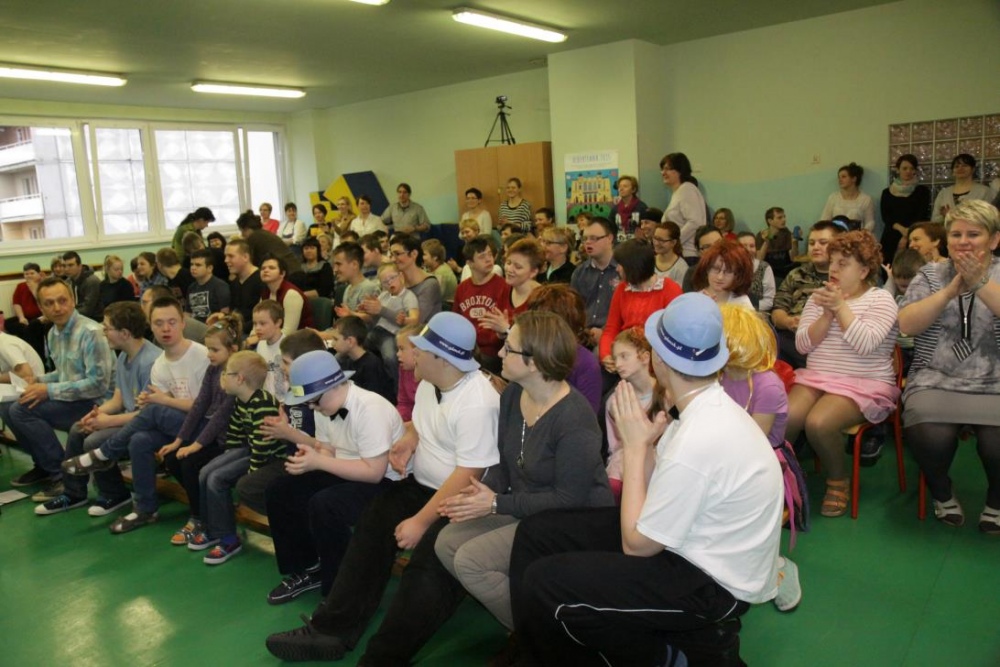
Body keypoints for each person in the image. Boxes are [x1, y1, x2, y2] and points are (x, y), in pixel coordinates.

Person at [507, 293, 783, 666]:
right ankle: (532, 648)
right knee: (536, 533)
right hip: (688, 543)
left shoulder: (699, 436)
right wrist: (649, 444)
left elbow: (637, 546)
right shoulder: (701, 408)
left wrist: (635, 448)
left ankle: (659, 655)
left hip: (712, 582)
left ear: (658, 359)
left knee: (546, 583)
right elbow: (658, 489)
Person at [265, 312, 500, 665]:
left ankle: (381, 659)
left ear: (443, 359)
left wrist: (421, 521)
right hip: (421, 485)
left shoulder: (477, 402)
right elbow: (421, 423)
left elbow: (469, 472)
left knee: (426, 573)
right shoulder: (429, 383)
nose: (411, 354)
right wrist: (409, 438)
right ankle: (330, 630)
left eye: (420, 349)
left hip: (461, 501)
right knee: (372, 527)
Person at [435, 310, 613, 633]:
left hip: (573, 522)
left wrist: (494, 503)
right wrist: (479, 493)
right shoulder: (514, 394)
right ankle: (530, 627)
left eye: (509, 347)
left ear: (534, 362)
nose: (500, 352)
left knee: (471, 561)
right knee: (446, 542)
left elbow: (569, 500)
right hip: (530, 506)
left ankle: (542, 634)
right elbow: (506, 463)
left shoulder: (574, 417)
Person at [263, 349, 404, 603]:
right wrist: (311, 460)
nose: (311, 407)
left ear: (331, 388)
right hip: (347, 469)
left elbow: (374, 473)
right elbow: (327, 449)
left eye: (314, 402)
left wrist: (319, 462)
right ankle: (308, 568)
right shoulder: (324, 408)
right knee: (280, 490)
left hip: (388, 483)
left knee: (326, 505)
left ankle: (340, 589)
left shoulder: (370, 409)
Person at [61, 296, 210, 533]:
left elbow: (205, 407)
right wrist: (152, 402)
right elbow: (155, 407)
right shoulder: (160, 364)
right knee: (140, 440)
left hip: (204, 426)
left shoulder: (202, 356)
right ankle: (145, 509)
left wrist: (160, 401)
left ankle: (104, 454)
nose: (166, 328)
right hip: (177, 425)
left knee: (155, 409)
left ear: (183, 322)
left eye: (172, 322)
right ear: (151, 326)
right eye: (159, 323)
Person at [898, 200, 1000, 532]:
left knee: (996, 443)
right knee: (929, 434)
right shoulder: (930, 274)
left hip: (995, 381)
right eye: (956, 234)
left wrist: (980, 282)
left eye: (974, 234)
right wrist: (948, 292)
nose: (964, 241)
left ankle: (997, 500)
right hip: (935, 378)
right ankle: (942, 491)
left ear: (993, 240)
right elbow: (907, 324)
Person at [784, 230, 899, 518]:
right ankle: (781, 474)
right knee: (786, 415)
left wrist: (840, 307)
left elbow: (865, 344)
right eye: (832, 262)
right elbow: (802, 345)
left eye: (843, 263)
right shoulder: (818, 299)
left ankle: (838, 480)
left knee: (819, 423)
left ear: (864, 270)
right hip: (817, 377)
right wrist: (826, 314)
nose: (833, 269)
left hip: (864, 383)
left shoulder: (881, 300)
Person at [33, 302, 156, 516]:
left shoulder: (149, 362)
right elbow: (118, 399)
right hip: (129, 419)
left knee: (94, 440)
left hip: (145, 424)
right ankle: (73, 492)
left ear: (125, 333)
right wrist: (97, 414)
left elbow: (148, 414)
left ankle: (114, 493)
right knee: (79, 428)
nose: (103, 331)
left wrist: (108, 421)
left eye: (107, 328)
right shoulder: (123, 355)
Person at [719, 303, 801, 612]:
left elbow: (753, 445)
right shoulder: (720, 377)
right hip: (729, 456)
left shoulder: (767, 385)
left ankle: (777, 563)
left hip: (765, 464)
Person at [6, 278, 113, 498]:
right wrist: (38, 380)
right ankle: (44, 465)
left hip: (100, 404)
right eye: (49, 303)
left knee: (21, 410)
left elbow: (97, 385)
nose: (57, 308)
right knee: (9, 407)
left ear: (73, 300)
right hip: (75, 399)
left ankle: (61, 475)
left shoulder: (91, 332)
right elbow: (64, 373)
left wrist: (48, 390)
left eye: (62, 300)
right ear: (41, 307)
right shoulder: (53, 333)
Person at [156, 314, 243, 544]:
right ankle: (203, 509)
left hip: (229, 441)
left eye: (215, 350)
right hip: (212, 436)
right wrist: (178, 441)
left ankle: (200, 517)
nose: (209, 354)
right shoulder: (213, 370)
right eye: (208, 349)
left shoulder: (237, 375)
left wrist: (195, 446)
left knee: (190, 462)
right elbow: (199, 406)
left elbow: (221, 417)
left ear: (233, 349)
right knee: (173, 458)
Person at [195, 350, 286, 564]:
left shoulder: (262, 402)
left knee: (216, 478)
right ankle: (211, 528)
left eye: (226, 373)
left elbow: (263, 444)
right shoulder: (240, 400)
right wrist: (229, 453)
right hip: (250, 449)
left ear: (240, 379)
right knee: (205, 472)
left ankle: (228, 538)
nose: (222, 377)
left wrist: (252, 472)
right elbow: (235, 430)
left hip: (268, 456)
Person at [599, 238, 683, 372]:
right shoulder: (621, 289)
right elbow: (611, 328)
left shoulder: (670, 289)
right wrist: (606, 354)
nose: (617, 268)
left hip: (656, 358)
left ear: (634, 266)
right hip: (625, 353)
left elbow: (675, 335)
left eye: (621, 265)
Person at [603, 327, 664, 502]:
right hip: (624, 463)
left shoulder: (665, 395)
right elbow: (614, 446)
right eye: (615, 358)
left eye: (624, 356)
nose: (618, 364)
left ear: (645, 357)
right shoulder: (614, 400)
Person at [771, 221, 843, 368]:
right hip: (791, 338)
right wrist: (789, 322)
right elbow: (777, 311)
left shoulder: (845, 277)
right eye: (811, 243)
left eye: (823, 243)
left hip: (829, 342)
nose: (815, 247)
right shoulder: (796, 274)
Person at [524, 284, 602, 413]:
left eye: (537, 320)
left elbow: (586, 417)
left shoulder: (586, 364)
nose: (529, 324)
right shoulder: (527, 351)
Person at [452, 236, 509, 374]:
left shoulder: (503, 286)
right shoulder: (462, 288)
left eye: (490, 254)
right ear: (470, 263)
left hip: (491, 351)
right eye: (482, 256)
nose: (489, 259)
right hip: (467, 348)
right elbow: (456, 320)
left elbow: (502, 328)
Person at [360, 264, 418, 391]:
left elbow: (415, 319)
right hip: (376, 331)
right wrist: (366, 309)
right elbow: (373, 319)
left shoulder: (408, 296)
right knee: (356, 347)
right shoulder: (384, 296)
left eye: (392, 278)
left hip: (391, 334)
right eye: (385, 282)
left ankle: (398, 390)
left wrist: (404, 320)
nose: (389, 283)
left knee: (391, 358)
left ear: (401, 276)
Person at [570, 217, 620, 349]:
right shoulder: (579, 273)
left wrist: (605, 332)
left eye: (594, 238)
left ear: (609, 238)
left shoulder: (623, 271)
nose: (588, 243)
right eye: (585, 238)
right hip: (583, 338)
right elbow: (573, 309)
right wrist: (583, 332)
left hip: (616, 337)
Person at [327, 315, 394, 404]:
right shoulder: (345, 360)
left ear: (350, 341)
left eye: (336, 339)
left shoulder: (371, 365)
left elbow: (373, 400)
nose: (332, 343)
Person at [659, 152, 707, 262]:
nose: (663, 173)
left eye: (668, 169)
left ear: (680, 170)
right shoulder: (678, 192)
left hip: (688, 254)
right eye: (662, 169)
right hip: (680, 252)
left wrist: (674, 242)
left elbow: (695, 222)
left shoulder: (687, 190)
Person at [880, 153, 932, 254]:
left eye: (911, 168)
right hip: (890, 237)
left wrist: (906, 235)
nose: (908, 171)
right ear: (897, 170)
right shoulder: (887, 193)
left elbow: (922, 215)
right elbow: (886, 217)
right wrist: (901, 229)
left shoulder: (922, 191)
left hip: (915, 235)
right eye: (904, 168)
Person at [237, 209, 303, 280]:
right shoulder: (263, 233)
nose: (242, 234)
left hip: (288, 273)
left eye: (242, 231)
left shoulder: (253, 237)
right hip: (295, 270)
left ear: (246, 229)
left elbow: (249, 263)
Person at [390, 233, 442, 324]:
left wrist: (381, 310)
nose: (393, 259)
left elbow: (415, 322)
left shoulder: (429, 284)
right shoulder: (395, 281)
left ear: (414, 254)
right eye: (391, 255)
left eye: (397, 254)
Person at [931, 154, 997, 223]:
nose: (960, 168)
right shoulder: (944, 193)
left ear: (973, 169)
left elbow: (989, 218)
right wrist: (945, 217)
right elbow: (935, 220)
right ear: (953, 171)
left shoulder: (984, 191)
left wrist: (952, 216)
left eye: (965, 166)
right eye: (957, 166)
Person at [692, 238, 755, 308]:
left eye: (728, 271)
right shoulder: (694, 300)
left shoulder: (742, 302)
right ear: (706, 269)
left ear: (738, 275)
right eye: (715, 268)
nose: (720, 277)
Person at [6, 262, 48, 363]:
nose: (29, 276)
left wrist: (34, 289)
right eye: (26, 274)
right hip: (26, 317)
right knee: (8, 323)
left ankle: (38, 358)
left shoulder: (44, 286)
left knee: (32, 328)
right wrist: (21, 317)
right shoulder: (21, 286)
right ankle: (27, 336)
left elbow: (43, 304)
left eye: (32, 273)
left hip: (41, 317)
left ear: (39, 274)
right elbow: (16, 303)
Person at [260, 255, 313, 334]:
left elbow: (288, 332)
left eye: (271, 268)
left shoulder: (291, 294)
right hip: (273, 337)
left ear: (282, 273)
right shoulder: (266, 292)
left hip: (300, 339)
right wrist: (252, 337)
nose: (266, 270)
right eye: (263, 268)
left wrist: (260, 338)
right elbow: (259, 322)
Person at [219, 238, 261, 335]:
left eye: (231, 256)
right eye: (225, 256)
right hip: (237, 332)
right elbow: (234, 312)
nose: (226, 260)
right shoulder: (235, 283)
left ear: (245, 257)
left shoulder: (261, 280)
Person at [820, 162, 876, 232]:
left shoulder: (866, 199)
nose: (840, 180)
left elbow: (870, 222)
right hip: (836, 236)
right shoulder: (833, 198)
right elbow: (824, 220)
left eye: (844, 177)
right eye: (839, 177)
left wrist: (862, 234)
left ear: (854, 179)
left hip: (856, 236)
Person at [253, 300, 288, 398]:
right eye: (255, 324)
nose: (257, 328)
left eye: (262, 323)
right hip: (267, 399)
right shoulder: (261, 345)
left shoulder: (288, 346)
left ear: (278, 323)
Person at [756, 206, 800, 285]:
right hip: (770, 271)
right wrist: (766, 241)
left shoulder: (787, 233)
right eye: (779, 218)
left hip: (785, 270)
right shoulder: (761, 235)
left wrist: (794, 242)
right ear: (770, 221)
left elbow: (793, 258)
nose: (784, 220)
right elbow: (759, 259)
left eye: (784, 217)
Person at [187, 249, 231, 322]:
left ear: (209, 268)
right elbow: (187, 313)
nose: (193, 268)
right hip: (195, 325)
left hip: (213, 326)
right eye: (191, 264)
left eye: (198, 265)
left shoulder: (220, 286)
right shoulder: (191, 288)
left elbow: (225, 314)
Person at [737, 232, 776, 312]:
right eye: (743, 246)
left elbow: (769, 301)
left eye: (752, 246)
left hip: (758, 313)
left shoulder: (764, 268)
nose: (748, 249)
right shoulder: (729, 268)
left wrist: (747, 308)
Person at [62, 251, 102, 320]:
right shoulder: (68, 282)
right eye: (64, 266)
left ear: (80, 266)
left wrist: (65, 313)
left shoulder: (92, 281)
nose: (66, 269)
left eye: (70, 265)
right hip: (76, 318)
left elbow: (87, 310)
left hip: (94, 320)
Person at [421, 239, 457, 309]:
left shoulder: (442, 273)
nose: (421, 257)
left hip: (446, 308)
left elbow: (434, 298)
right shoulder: (430, 268)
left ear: (435, 257)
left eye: (424, 254)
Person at [651, 221, 689, 287]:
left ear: (673, 242)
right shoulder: (649, 261)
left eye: (661, 240)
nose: (656, 243)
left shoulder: (681, 268)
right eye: (655, 238)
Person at [611, 175, 647, 240]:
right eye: (619, 186)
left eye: (625, 186)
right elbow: (610, 228)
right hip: (619, 244)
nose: (621, 189)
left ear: (633, 189)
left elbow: (646, 229)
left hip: (637, 243)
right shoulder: (615, 209)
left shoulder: (642, 207)